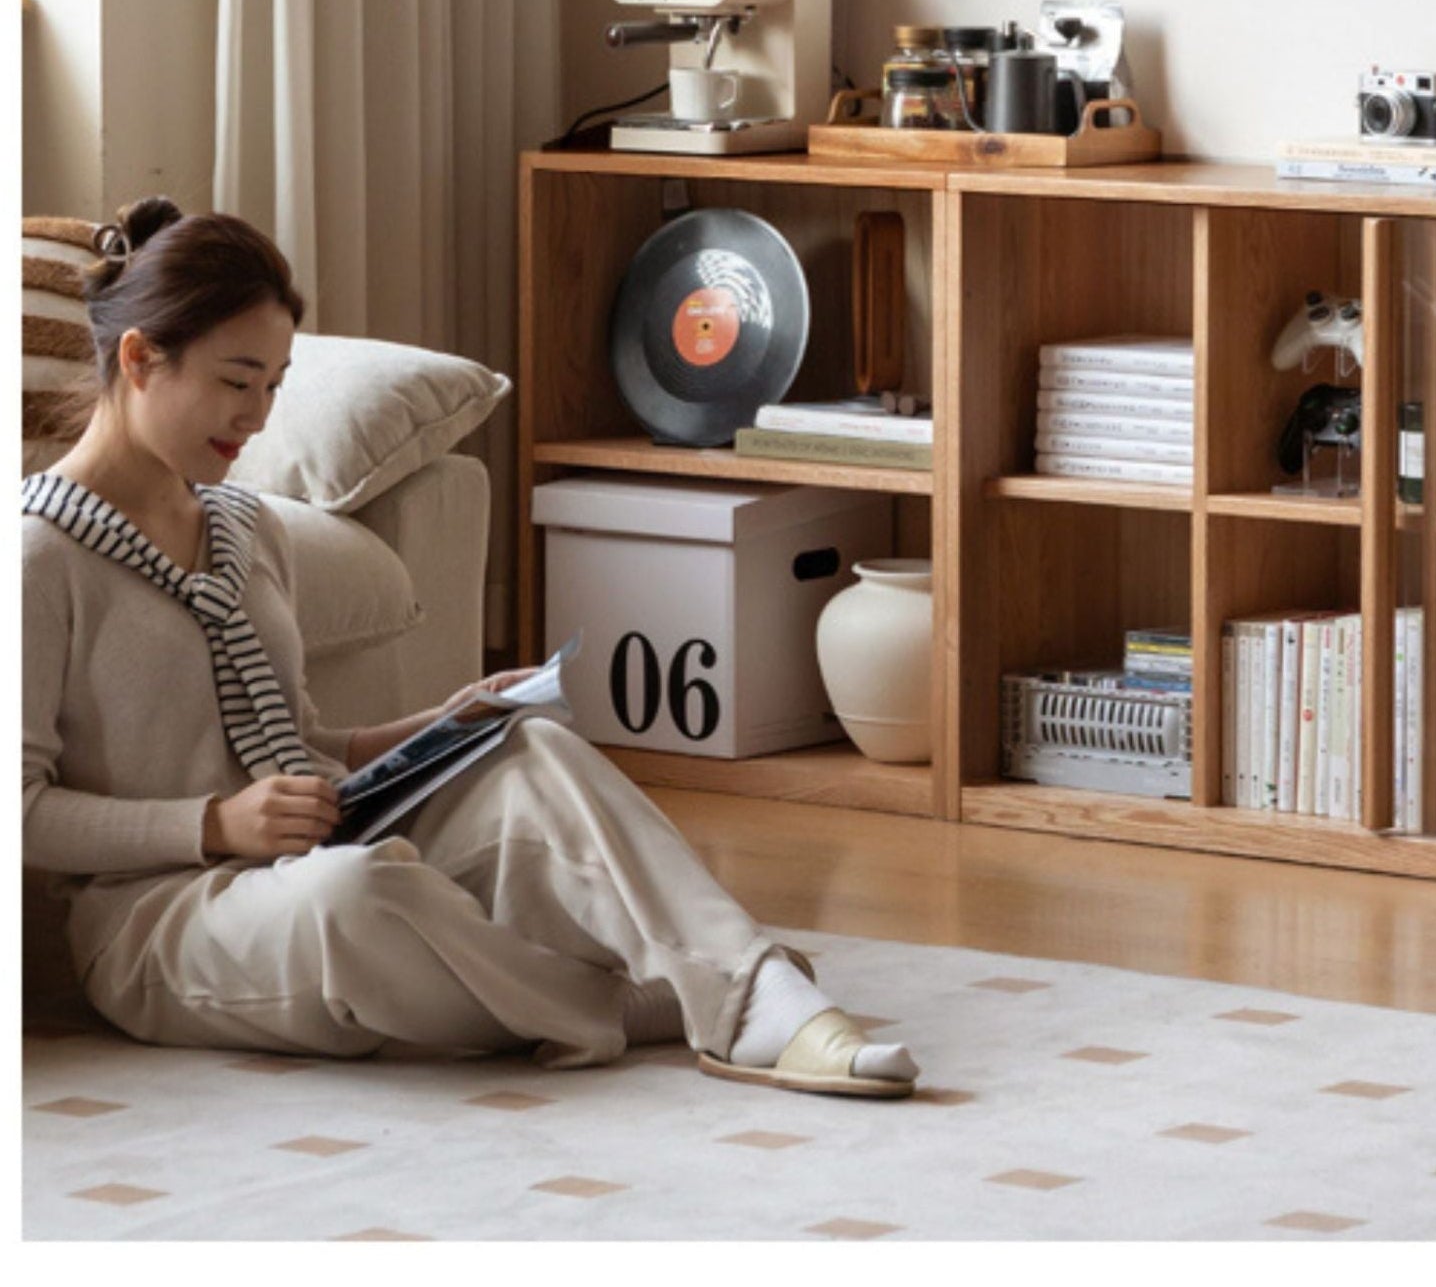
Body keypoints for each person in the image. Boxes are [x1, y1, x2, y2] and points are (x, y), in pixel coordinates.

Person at [20, 197, 917, 1097]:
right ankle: (633, 1001)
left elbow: (299, 746)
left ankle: (753, 988)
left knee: (528, 747)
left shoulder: (245, 527)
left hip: (312, 843)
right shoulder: (39, 555)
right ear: (140, 360)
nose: (256, 415)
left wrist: (441, 724)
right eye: (236, 379)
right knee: (359, 896)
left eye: (275, 384)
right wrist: (212, 824)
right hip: (158, 917)